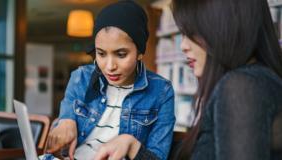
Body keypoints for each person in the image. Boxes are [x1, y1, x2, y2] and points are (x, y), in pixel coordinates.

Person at [92, 0, 282, 160]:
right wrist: (133, 146)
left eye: (190, 33)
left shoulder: (241, 87)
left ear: (223, 26)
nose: (183, 46)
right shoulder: (257, 80)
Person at [42, 1, 176, 160]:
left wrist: (132, 145)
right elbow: (63, 124)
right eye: (101, 54)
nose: (110, 67)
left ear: (140, 52)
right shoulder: (80, 77)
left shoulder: (162, 91)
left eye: (121, 55)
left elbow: (157, 158)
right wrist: (65, 120)